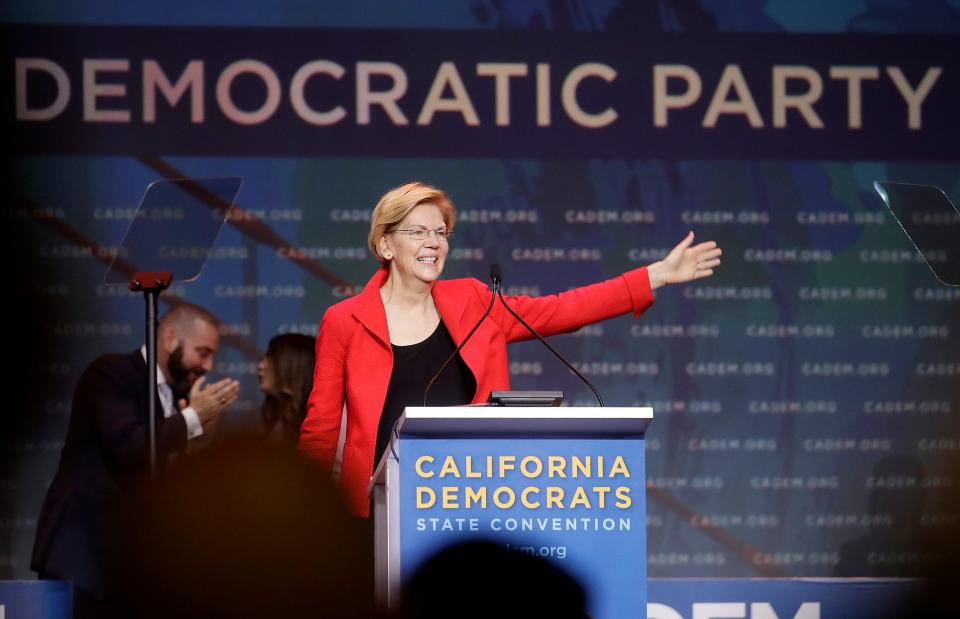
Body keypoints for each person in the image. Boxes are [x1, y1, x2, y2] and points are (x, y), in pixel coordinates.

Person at [298, 181, 722, 517]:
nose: (434, 242)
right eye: (419, 232)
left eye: (441, 233)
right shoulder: (345, 320)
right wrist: (304, 513)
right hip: (379, 509)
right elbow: (320, 431)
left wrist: (655, 276)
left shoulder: (474, 301)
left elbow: (560, 310)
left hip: (469, 499)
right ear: (386, 245)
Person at [31, 303, 240, 618]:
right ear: (169, 338)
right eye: (203, 352)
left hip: (129, 566)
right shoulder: (111, 373)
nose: (209, 365)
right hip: (84, 560)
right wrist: (193, 418)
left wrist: (194, 430)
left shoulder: (174, 396)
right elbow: (130, 447)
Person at [259, 333, 316, 445]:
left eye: (270, 358)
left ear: (294, 364)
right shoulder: (274, 417)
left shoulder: (318, 426)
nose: (260, 365)